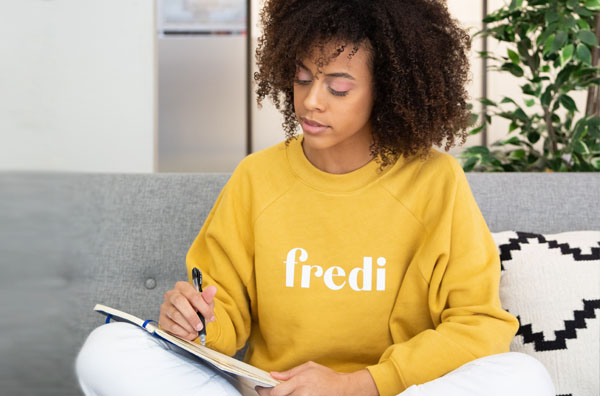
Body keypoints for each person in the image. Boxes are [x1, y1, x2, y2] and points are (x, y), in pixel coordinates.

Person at [75, 1, 557, 395]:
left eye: (338, 86)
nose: (310, 101)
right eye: (303, 77)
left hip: (388, 393)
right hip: (273, 392)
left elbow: (478, 324)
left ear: (385, 91)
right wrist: (195, 324)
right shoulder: (256, 177)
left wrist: (360, 384)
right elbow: (225, 313)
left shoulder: (436, 180)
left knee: (523, 379)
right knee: (107, 349)